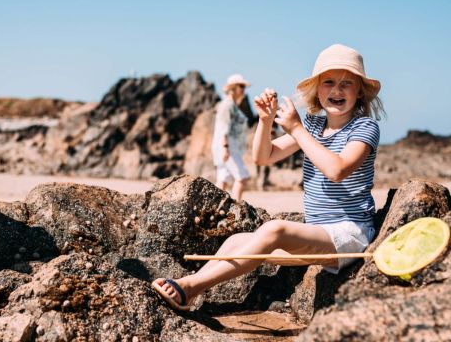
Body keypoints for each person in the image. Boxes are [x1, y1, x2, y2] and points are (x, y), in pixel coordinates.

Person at [152, 44, 384, 311]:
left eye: (347, 83)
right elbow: (265, 156)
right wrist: (265, 121)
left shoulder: (364, 127)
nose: (336, 90)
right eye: (328, 82)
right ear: (317, 90)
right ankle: (193, 289)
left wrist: (297, 129)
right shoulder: (313, 126)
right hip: (317, 232)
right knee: (236, 241)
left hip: (349, 234)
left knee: (275, 229)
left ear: (360, 91)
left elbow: (337, 170)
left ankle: (189, 286)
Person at [211, 73, 252, 201]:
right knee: (242, 177)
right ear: (233, 88)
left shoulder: (231, 105)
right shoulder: (227, 105)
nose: (244, 90)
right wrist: (225, 147)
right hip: (228, 147)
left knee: (223, 179)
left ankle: (216, 209)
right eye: (241, 86)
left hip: (227, 147)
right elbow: (223, 128)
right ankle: (236, 208)